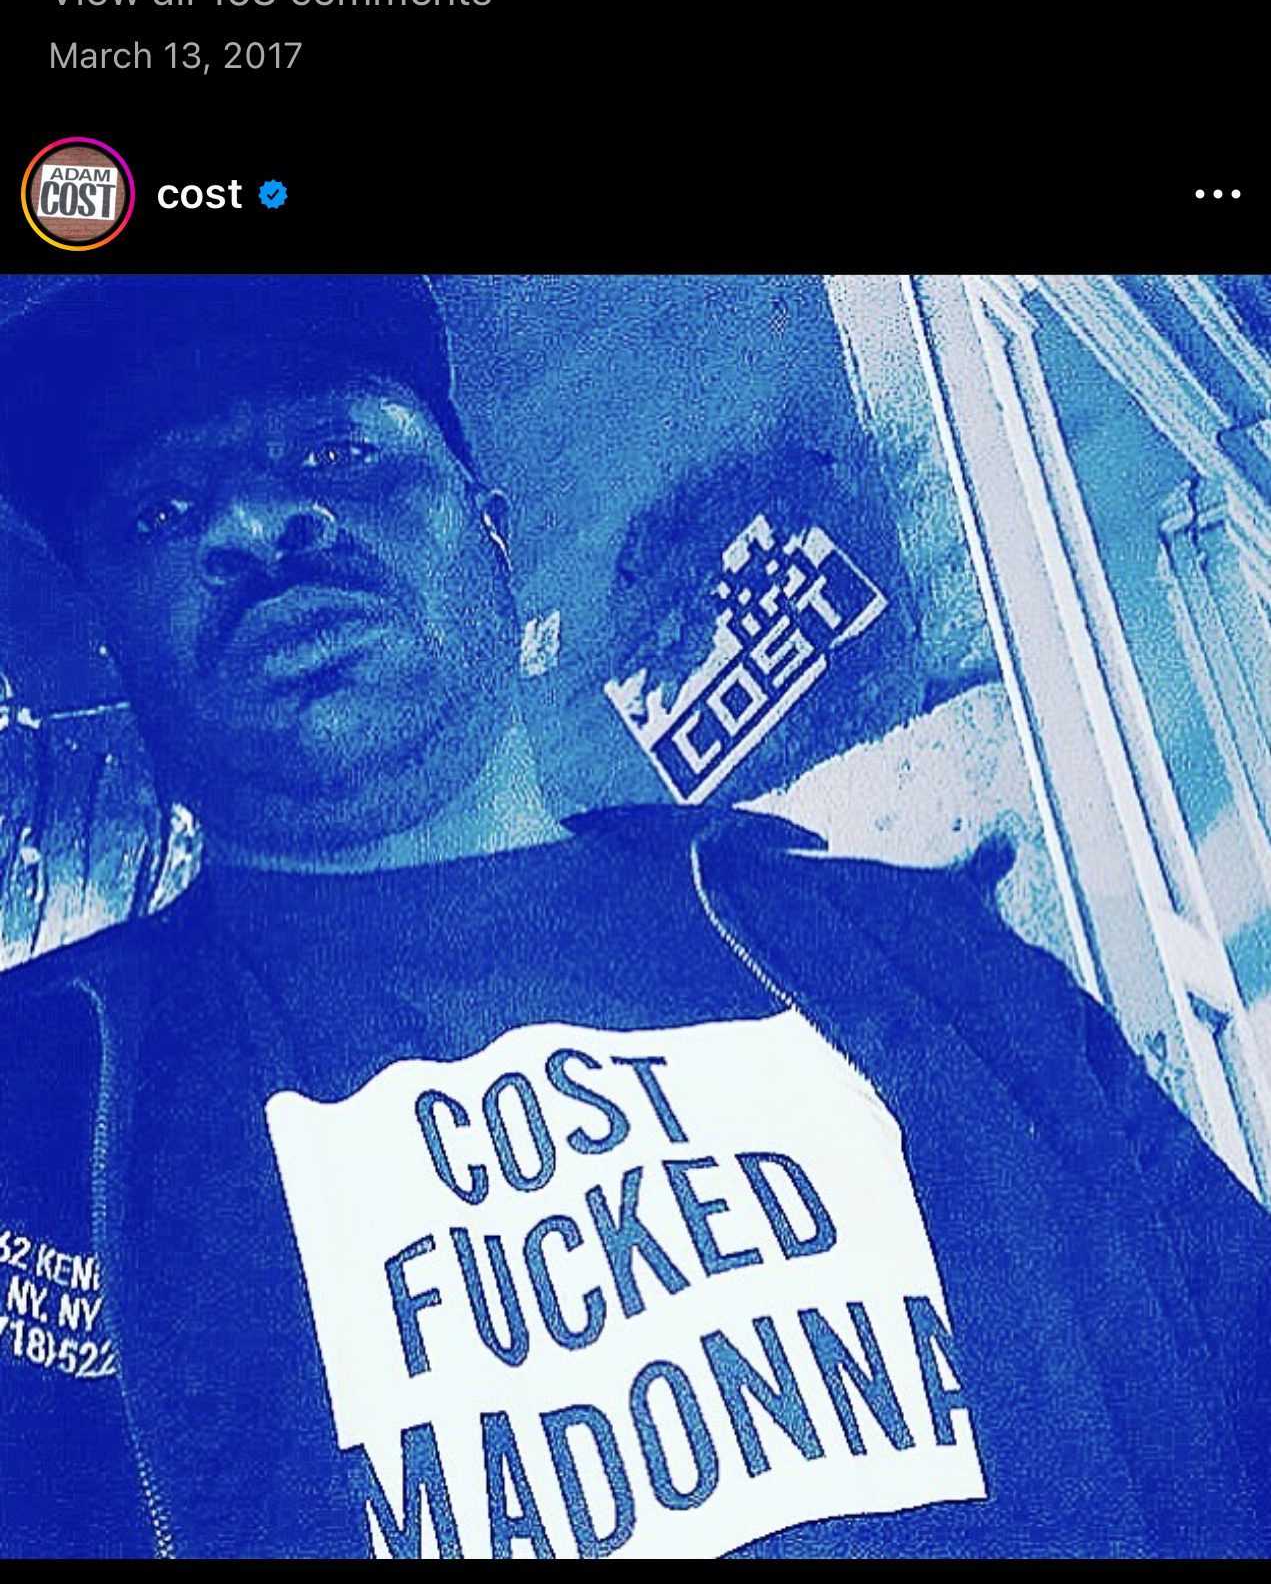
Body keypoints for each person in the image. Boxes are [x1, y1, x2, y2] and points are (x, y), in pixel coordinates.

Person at [0, 275, 1268, 1562]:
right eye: (160, 511)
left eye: (336, 449)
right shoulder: (30, 1117)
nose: (253, 519)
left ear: (493, 538)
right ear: (111, 641)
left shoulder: (938, 963)